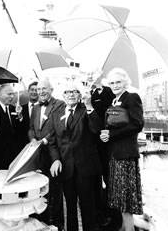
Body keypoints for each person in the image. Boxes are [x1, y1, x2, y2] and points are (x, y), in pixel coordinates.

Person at [48, 80, 102, 231]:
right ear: (63, 95)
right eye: (67, 92)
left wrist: (90, 106)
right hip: (66, 168)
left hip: (85, 167)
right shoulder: (56, 114)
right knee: (70, 208)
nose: (70, 94)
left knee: (88, 207)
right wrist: (56, 159)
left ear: (79, 95)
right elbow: (52, 141)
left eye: (74, 91)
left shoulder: (86, 110)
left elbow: (96, 129)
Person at [100, 68, 144, 231]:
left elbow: (137, 124)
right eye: (111, 83)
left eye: (118, 82)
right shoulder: (114, 100)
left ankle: (129, 229)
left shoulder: (131, 97)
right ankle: (125, 228)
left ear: (125, 82)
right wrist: (106, 133)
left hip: (125, 155)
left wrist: (111, 134)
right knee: (119, 197)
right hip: (115, 155)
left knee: (125, 199)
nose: (115, 85)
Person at [27, 78, 64, 230]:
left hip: (53, 154)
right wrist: (33, 139)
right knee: (39, 191)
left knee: (55, 191)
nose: (41, 92)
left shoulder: (59, 104)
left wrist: (44, 140)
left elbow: (58, 129)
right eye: (39, 89)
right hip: (37, 156)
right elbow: (30, 128)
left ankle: (57, 224)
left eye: (44, 89)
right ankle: (41, 224)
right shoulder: (35, 108)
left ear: (51, 90)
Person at [90, 83, 116, 227]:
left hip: (105, 146)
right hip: (90, 148)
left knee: (109, 180)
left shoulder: (108, 92)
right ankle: (98, 214)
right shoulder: (83, 92)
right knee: (94, 184)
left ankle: (111, 215)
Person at [20, 81, 38, 148]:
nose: (34, 92)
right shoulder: (20, 109)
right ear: (28, 91)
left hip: (39, 144)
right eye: (32, 90)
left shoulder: (44, 108)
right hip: (24, 145)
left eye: (36, 90)